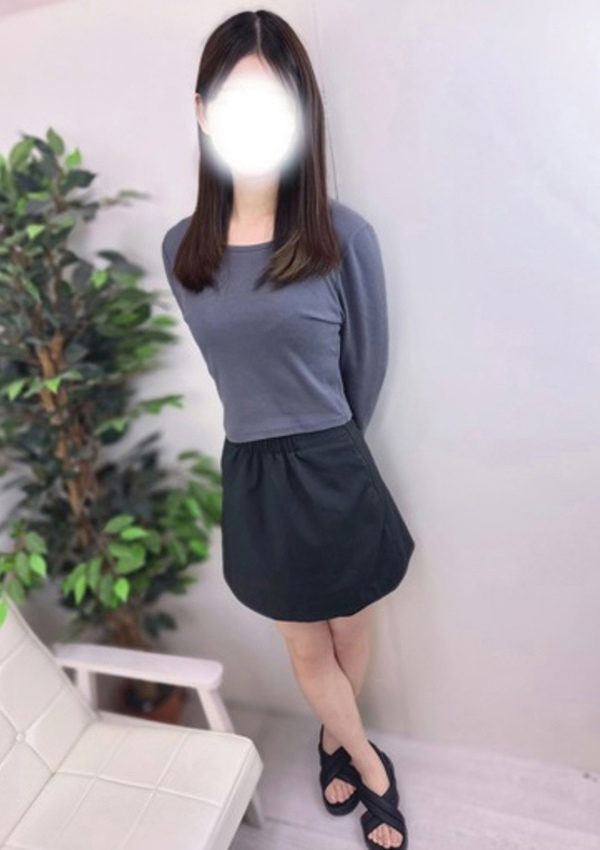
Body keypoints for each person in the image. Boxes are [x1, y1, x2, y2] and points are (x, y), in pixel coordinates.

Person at [161, 10, 414, 849]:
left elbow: (364, 369)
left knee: (350, 630)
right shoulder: (181, 252)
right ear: (203, 112)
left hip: (334, 460)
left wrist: (324, 444)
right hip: (256, 474)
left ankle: (334, 738)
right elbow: (227, 366)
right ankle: (370, 766)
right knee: (307, 648)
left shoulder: (344, 237)